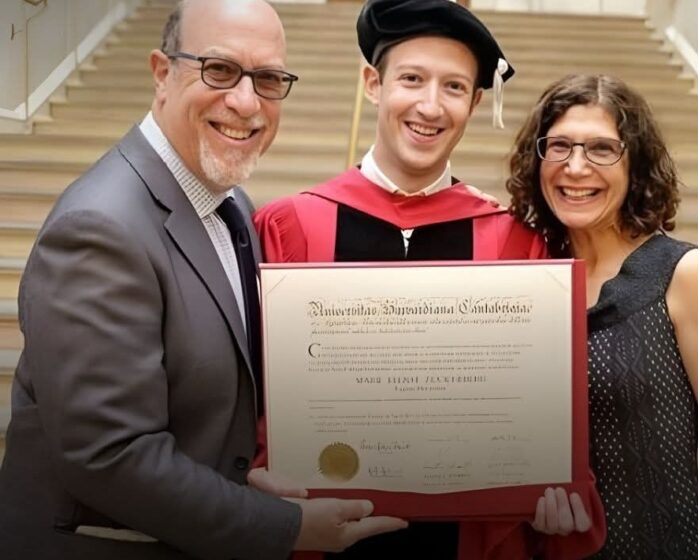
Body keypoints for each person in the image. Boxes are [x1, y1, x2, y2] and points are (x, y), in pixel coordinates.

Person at [0, 1, 407, 559]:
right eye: (219, 70)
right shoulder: (100, 229)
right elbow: (112, 454)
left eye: (268, 79)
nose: (246, 102)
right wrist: (286, 527)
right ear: (161, 73)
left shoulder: (231, 206)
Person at [254, 1, 606, 559]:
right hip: (321, 534)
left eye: (454, 87)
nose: (430, 105)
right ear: (373, 83)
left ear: (474, 102)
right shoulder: (292, 225)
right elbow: (258, 401)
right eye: (412, 79)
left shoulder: (515, 243)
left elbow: (536, 409)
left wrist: (555, 489)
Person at [506, 73, 698, 559]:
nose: (576, 167)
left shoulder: (683, 274)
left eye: (601, 149)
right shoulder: (528, 276)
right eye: (559, 147)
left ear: (634, 164)